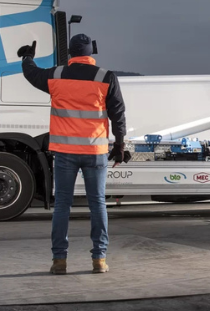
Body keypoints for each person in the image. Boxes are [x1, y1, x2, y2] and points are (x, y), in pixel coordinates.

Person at [18, 34, 128, 275]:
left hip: (65, 152)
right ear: (91, 52)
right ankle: (99, 259)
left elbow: (32, 74)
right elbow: (118, 113)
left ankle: (59, 260)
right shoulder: (105, 77)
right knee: (97, 203)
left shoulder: (56, 75)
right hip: (95, 152)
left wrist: (27, 57)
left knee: (62, 206)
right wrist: (119, 146)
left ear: (70, 52)